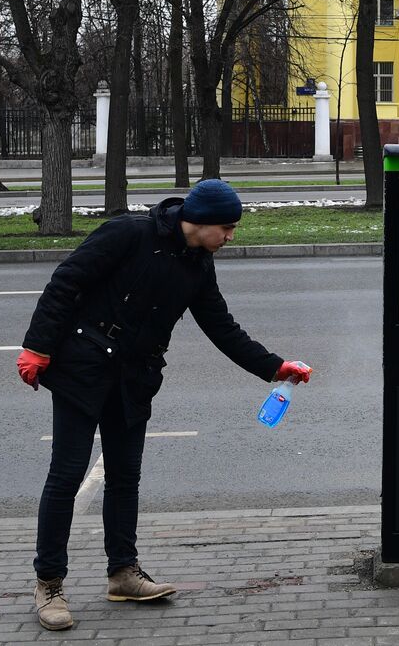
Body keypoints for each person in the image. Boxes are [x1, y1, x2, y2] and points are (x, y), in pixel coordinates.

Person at [16, 179, 312, 631]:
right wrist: (37, 348)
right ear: (202, 221)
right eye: (227, 228)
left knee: (124, 478)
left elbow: (221, 326)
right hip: (85, 366)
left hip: (135, 377)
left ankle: (123, 573)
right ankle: (49, 584)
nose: (231, 237)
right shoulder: (129, 233)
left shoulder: (198, 263)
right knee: (67, 475)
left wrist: (275, 368)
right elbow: (65, 282)